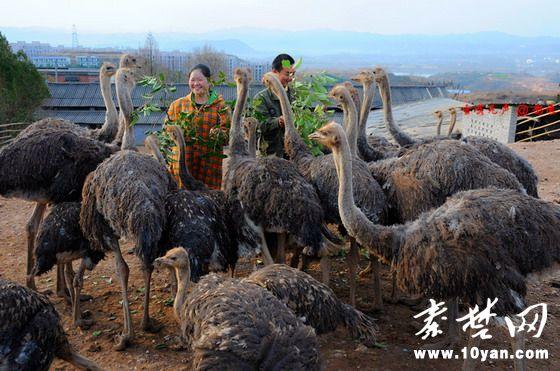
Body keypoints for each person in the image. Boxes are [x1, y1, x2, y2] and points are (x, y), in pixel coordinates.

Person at [166, 64, 231, 190]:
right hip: (183, 164)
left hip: (209, 166)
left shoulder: (221, 107)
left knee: (207, 201)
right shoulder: (177, 106)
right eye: (192, 80)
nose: (196, 83)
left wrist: (218, 134)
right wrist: (176, 133)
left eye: (200, 80)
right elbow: (166, 134)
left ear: (209, 81)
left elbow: (228, 136)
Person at [253, 53, 296, 158]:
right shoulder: (261, 98)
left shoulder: (296, 96)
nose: (290, 79)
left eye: (292, 74)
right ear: (274, 72)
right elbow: (260, 125)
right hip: (271, 154)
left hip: (292, 154)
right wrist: (279, 121)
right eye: (287, 74)